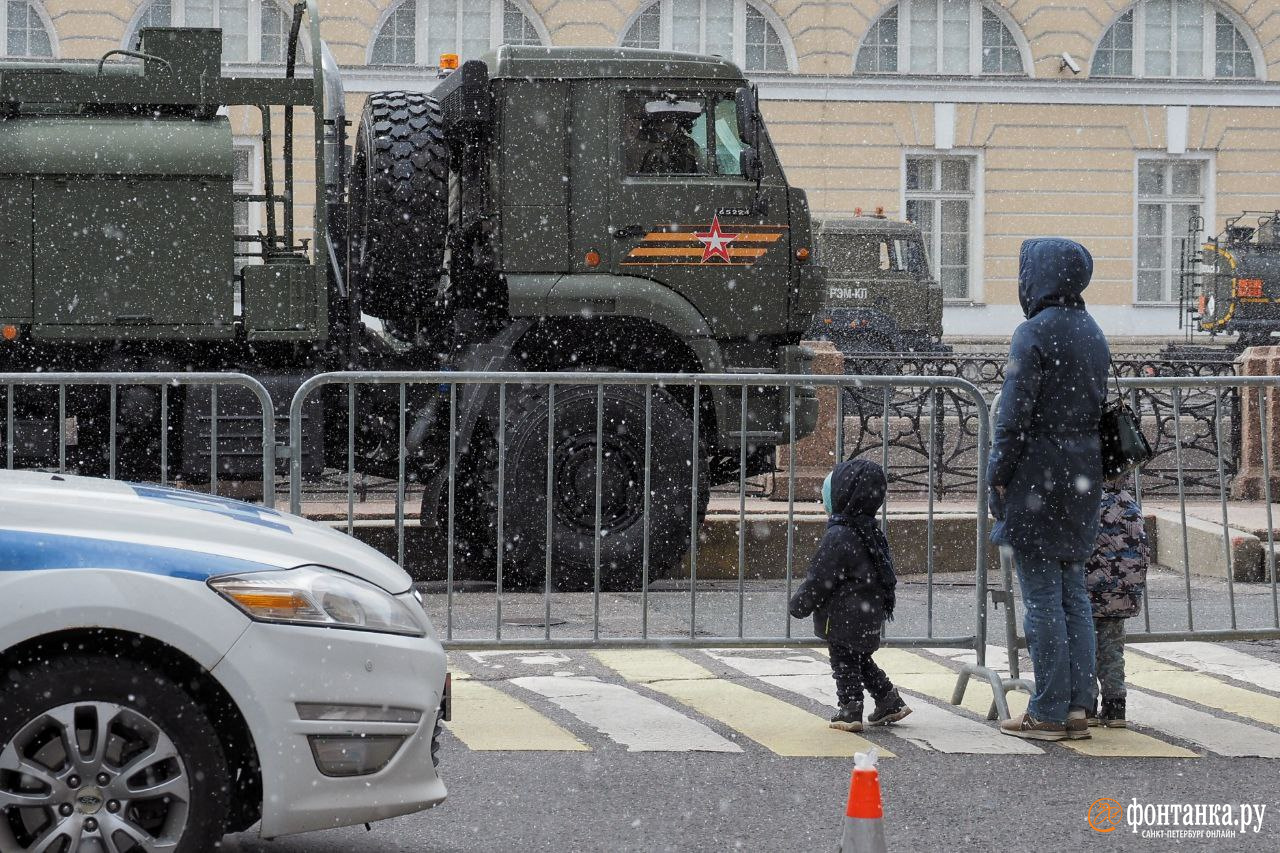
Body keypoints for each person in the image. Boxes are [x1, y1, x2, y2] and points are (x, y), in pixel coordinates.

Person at [989, 237, 1110, 742]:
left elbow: (1014, 415)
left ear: (1037, 276)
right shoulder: (1093, 331)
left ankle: (1048, 711)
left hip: (1039, 471)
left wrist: (999, 471)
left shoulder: (1032, 332)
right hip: (1084, 470)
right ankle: (1082, 703)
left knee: (1040, 595)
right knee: (1073, 594)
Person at [788, 458, 911, 732]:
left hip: (843, 616)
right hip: (869, 612)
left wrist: (800, 605)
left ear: (843, 497)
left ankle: (850, 708)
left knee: (843, 661)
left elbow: (820, 578)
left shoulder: (840, 535)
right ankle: (889, 700)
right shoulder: (870, 532)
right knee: (861, 659)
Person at [1085, 479, 1149, 728]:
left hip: (1090, 591)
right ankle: (1115, 708)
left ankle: (1086, 705)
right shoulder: (1128, 503)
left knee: (1085, 650)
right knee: (1112, 651)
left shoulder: (1089, 502)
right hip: (1121, 593)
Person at [638, 109, 701, 175]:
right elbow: (643, 177)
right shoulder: (647, 144)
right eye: (658, 121)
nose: (661, 125)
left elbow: (700, 175)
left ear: (677, 123)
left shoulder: (688, 145)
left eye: (669, 120)